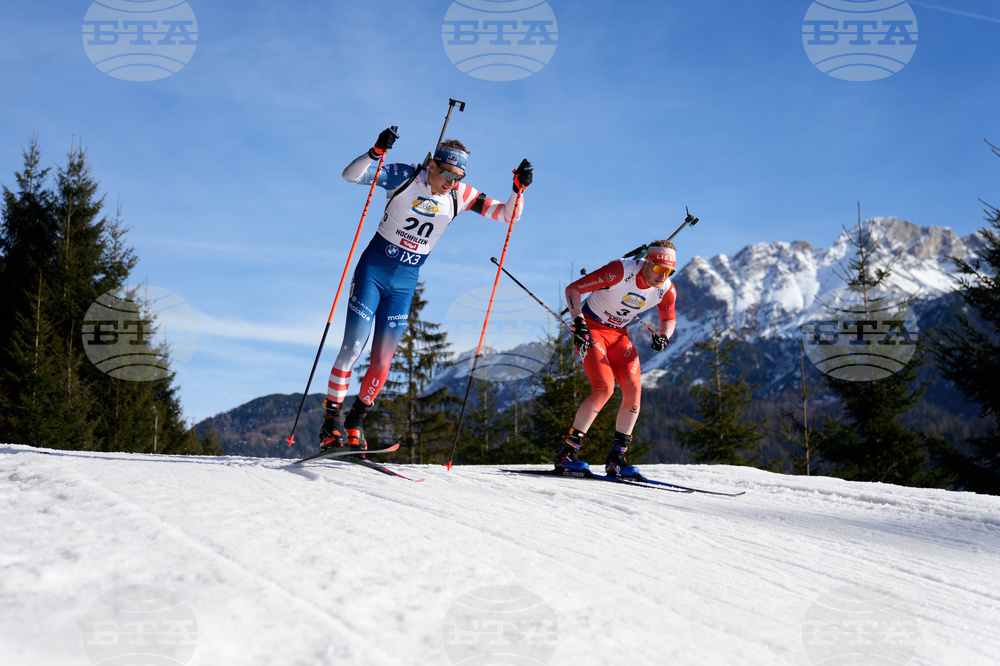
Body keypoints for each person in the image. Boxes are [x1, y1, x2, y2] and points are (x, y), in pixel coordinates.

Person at [319, 126, 532, 456]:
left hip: (404, 284)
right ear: (432, 165)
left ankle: (355, 423)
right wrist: (375, 152)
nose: (451, 181)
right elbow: (351, 176)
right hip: (373, 272)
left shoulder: (459, 195)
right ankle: (330, 424)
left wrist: (518, 190)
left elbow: (507, 215)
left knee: (382, 362)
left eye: (458, 176)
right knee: (352, 349)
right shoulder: (404, 177)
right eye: (447, 173)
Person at [553, 241, 678, 476]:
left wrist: (664, 336)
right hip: (592, 328)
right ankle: (567, 454)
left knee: (633, 389)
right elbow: (573, 289)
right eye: (659, 269)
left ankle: (616, 458)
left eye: (669, 271)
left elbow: (669, 319)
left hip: (619, 335)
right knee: (604, 388)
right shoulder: (621, 271)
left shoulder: (666, 289)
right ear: (647, 263)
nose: (663, 276)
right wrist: (578, 323)